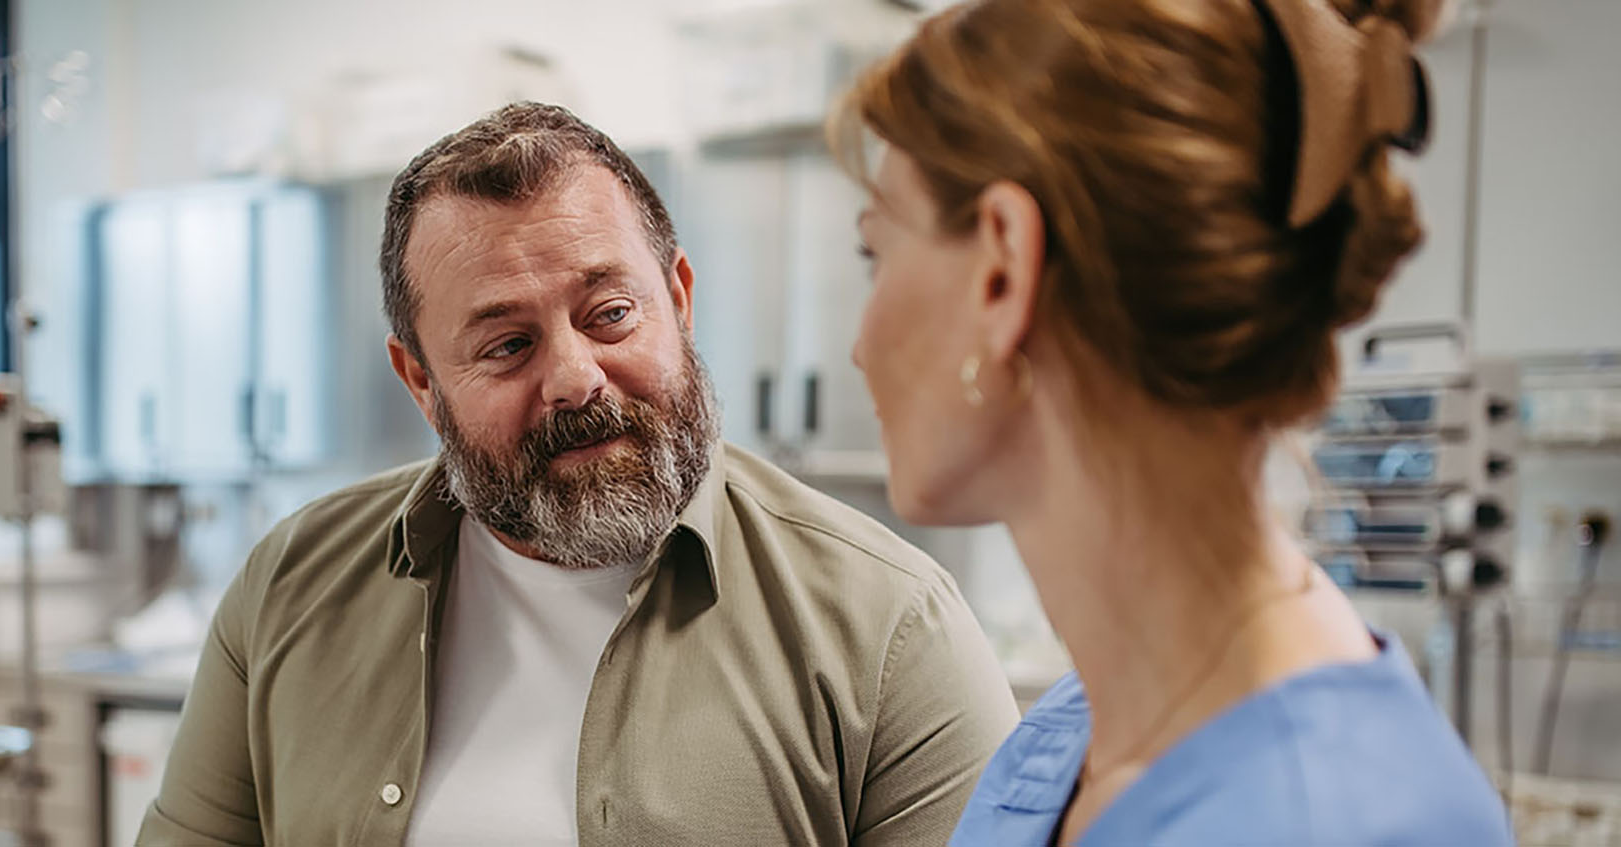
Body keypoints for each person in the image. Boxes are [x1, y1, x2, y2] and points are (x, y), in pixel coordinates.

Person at [137, 102, 1020, 847]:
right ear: (421, 383)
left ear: (677, 299)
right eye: (508, 344)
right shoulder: (288, 587)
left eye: (609, 313)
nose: (574, 378)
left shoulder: (891, 630)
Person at [832, 0, 1515, 844]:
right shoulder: (1065, 745)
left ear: (1003, 271)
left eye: (879, 252)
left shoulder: (1344, 819)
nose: (860, 347)